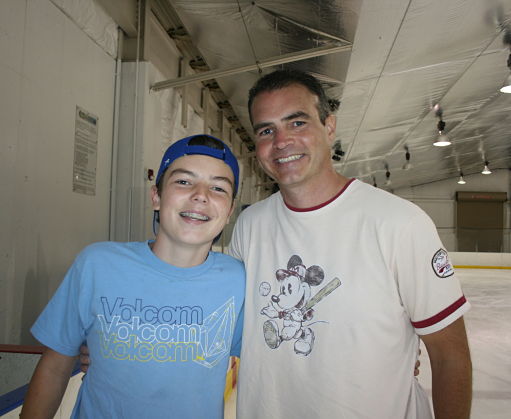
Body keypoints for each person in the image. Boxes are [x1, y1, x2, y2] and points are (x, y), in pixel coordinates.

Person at [227, 69, 472, 419]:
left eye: (297, 123)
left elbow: (450, 355)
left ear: (329, 127)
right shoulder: (250, 225)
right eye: (267, 130)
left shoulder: (399, 223)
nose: (281, 142)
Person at [21, 135, 245, 419]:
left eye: (217, 188)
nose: (201, 195)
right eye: (184, 182)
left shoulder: (238, 282)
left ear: (229, 212)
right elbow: (54, 367)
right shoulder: (97, 265)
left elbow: (272, 361)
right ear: (156, 196)